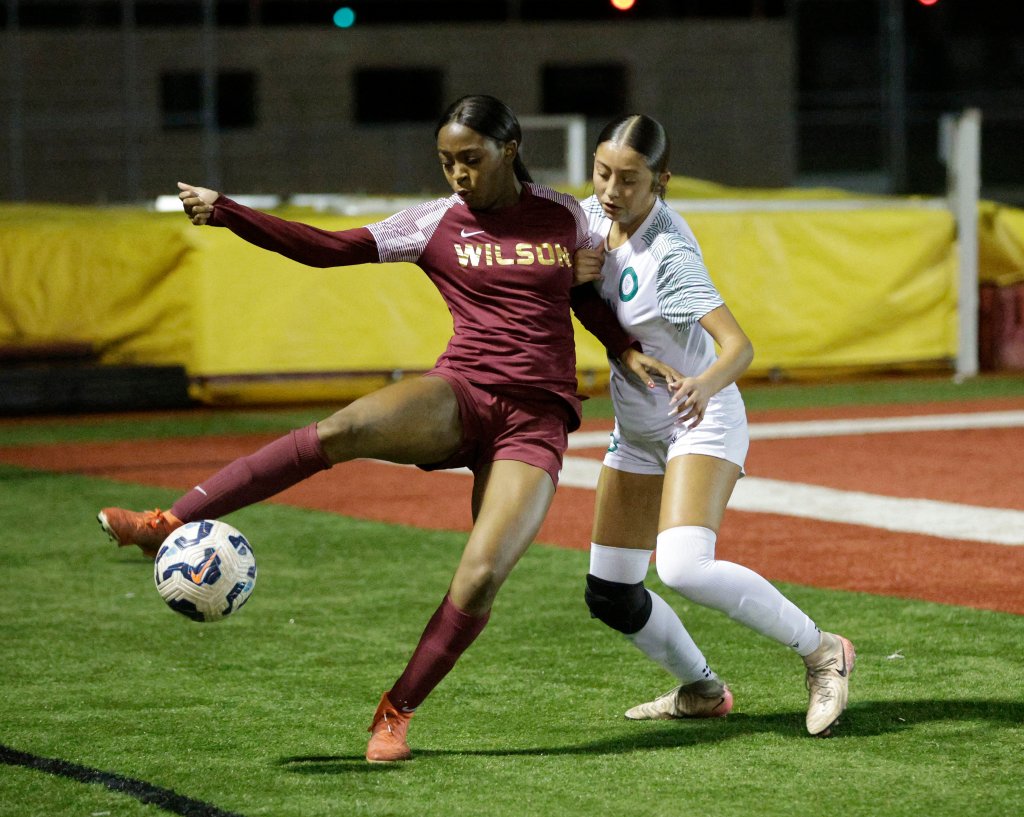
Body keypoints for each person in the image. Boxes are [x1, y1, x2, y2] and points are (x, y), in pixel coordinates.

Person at [97, 95, 682, 763]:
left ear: (510, 149)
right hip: (460, 390)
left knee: (483, 574)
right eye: (446, 162)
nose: (458, 175)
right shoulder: (432, 223)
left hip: (537, 417)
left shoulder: (566, 215)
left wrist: (623, 346)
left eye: (471, 159)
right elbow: (326, 249)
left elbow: (579, 295)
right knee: (343, 429)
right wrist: (228, 211)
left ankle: (395, 713)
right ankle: (165, 522)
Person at [573, 114, 855, 737]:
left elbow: (739, 346)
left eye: (630, 179)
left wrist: (704, 384)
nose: (612, 190)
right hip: (639, 429)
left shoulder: (669, 253)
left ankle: (822, 650)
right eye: (602, 173)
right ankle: (702, 690)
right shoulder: (591, 222)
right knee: (610, 593)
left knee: (683, 567)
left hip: (698, 416)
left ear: (661, 182)